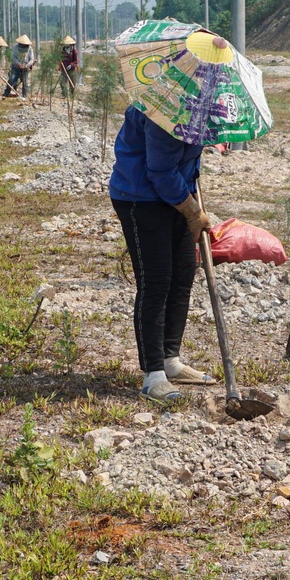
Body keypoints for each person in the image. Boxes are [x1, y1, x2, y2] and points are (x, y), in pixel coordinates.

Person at [108, 103, 220, 405]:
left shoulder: (198, 106)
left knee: (182, 276)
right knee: (156, 282)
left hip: (176, 194)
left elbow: (184, 161)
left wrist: (193, 200)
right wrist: (191, 211)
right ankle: (153, 374)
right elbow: (159, 171)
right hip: (140, 197)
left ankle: (171, 359)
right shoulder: (164, 109)